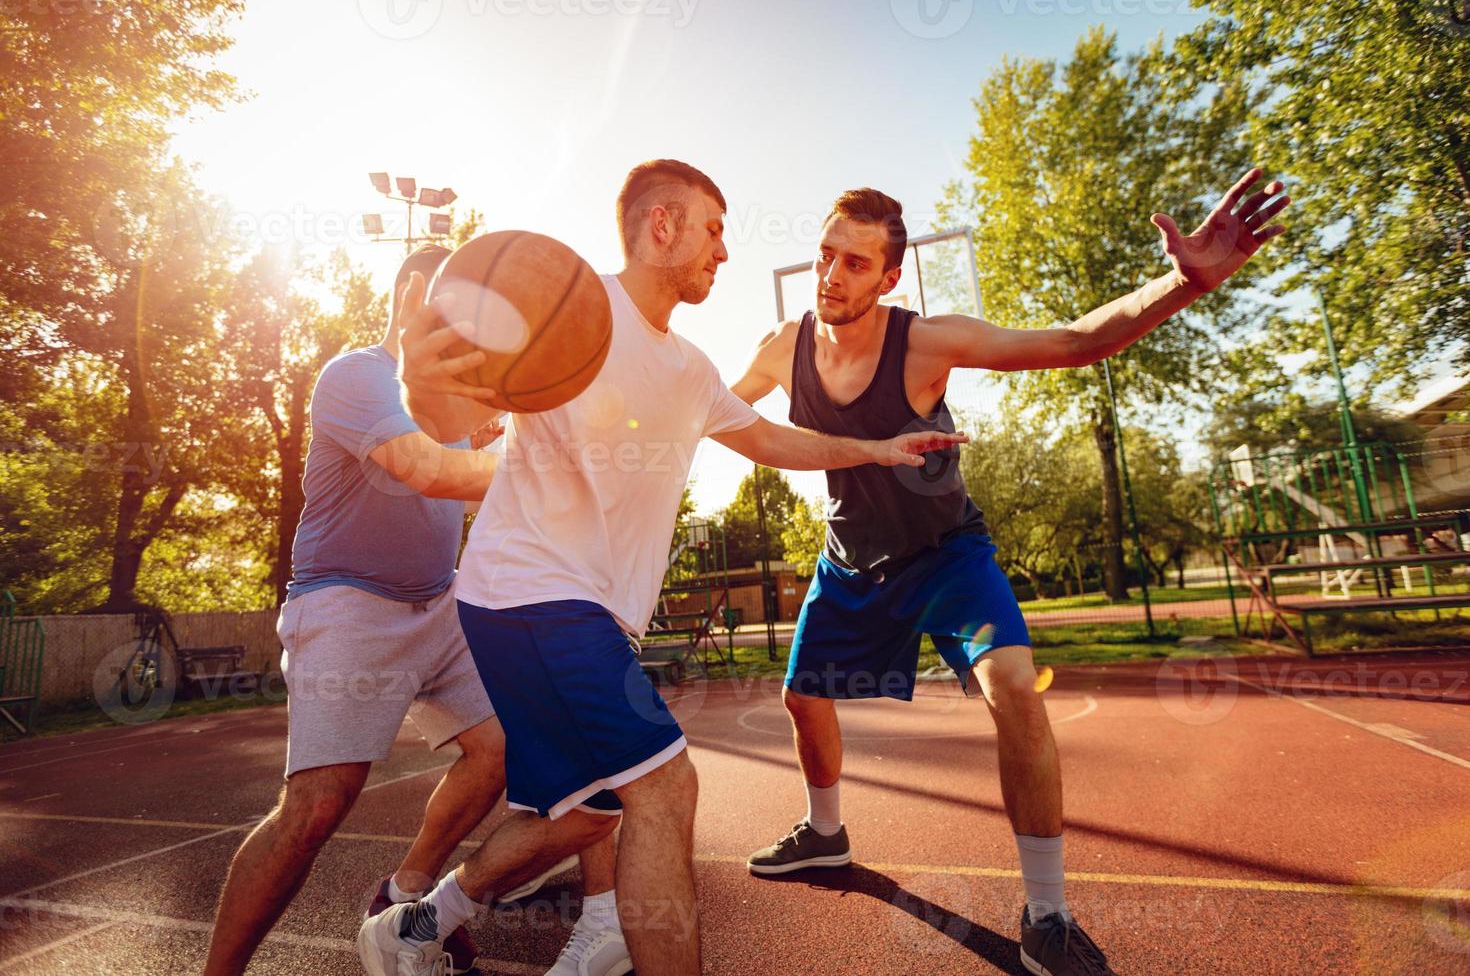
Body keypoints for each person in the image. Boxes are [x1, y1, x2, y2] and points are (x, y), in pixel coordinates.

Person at [356, 159, 967, 976]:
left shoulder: (688, 368)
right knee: (666, 786)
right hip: (533, 594)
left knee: (591, 811)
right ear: (662, 226)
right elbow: (458, 411)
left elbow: (772, 438)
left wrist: (876, 448)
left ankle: (418, 923)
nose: (724, 252)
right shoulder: (565, 310)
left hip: (584, 613)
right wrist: (422, 386)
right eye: (714, 231)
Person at [731, 170, 1289, 976]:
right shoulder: (782, 348)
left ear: (889, 278)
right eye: (824, 255)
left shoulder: (925, 341)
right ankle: (825, 835)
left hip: (948, 554)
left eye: (854, 264)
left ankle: (1048, 916)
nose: (831, 275)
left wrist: (1182, 283)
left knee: (1016, 687)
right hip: (852, 561)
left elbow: (1070, 343)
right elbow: (716, 406)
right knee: (802, 699)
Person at [206, 245, 530, 976]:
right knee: (318, 806)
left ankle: (404, 892)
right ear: (414, 293)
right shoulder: (358, 377)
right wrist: (523, 463)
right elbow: (424, 468)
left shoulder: (456, 398)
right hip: (347, 600)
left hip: (438, 603)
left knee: (503, 750)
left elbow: (489, 467)